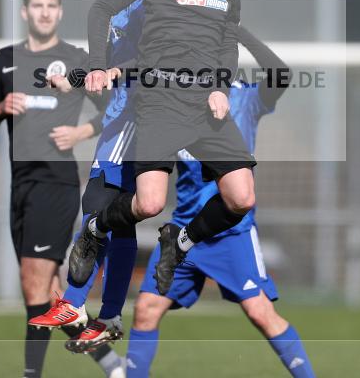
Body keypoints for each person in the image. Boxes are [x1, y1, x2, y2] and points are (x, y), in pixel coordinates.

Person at [71, 0, 259, 298]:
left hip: (205, 106)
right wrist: (100, 66)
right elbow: (102, 9)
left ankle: (181, 242)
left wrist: (221, 88)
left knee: (241, 197)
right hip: (159, 101)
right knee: (149, 204)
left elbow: (227, 45)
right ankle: (93, 230)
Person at [124, 28, 314, 378]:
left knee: (260, 313)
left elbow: (281, 74)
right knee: (146, 309)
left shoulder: (245, 98)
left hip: (231, 233)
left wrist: (242, 34)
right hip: (183, 231)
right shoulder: (173, 101)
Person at [0, 0, 123, 378]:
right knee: (42, 294)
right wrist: (0, 106)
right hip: (20, 186)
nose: (44, 13)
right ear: (25, 12)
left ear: (59, 12)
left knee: (34, 285)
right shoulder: (5, 60)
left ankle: (31, 375)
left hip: (55, 185)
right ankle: (112, 365)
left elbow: (115, 107)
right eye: (37, 6)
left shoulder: (75, 60)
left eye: (52, 7)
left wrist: (81, 132)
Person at [30, 0, 164, 352]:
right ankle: (106, 314)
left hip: (138, 122)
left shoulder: (155, 6)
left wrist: (109, 73)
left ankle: (74, 303)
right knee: (116, 221)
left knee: (98, 209)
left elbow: (149, 62)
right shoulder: (125, 5)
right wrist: (71, 76)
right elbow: (105, 63)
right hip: (120, 120)